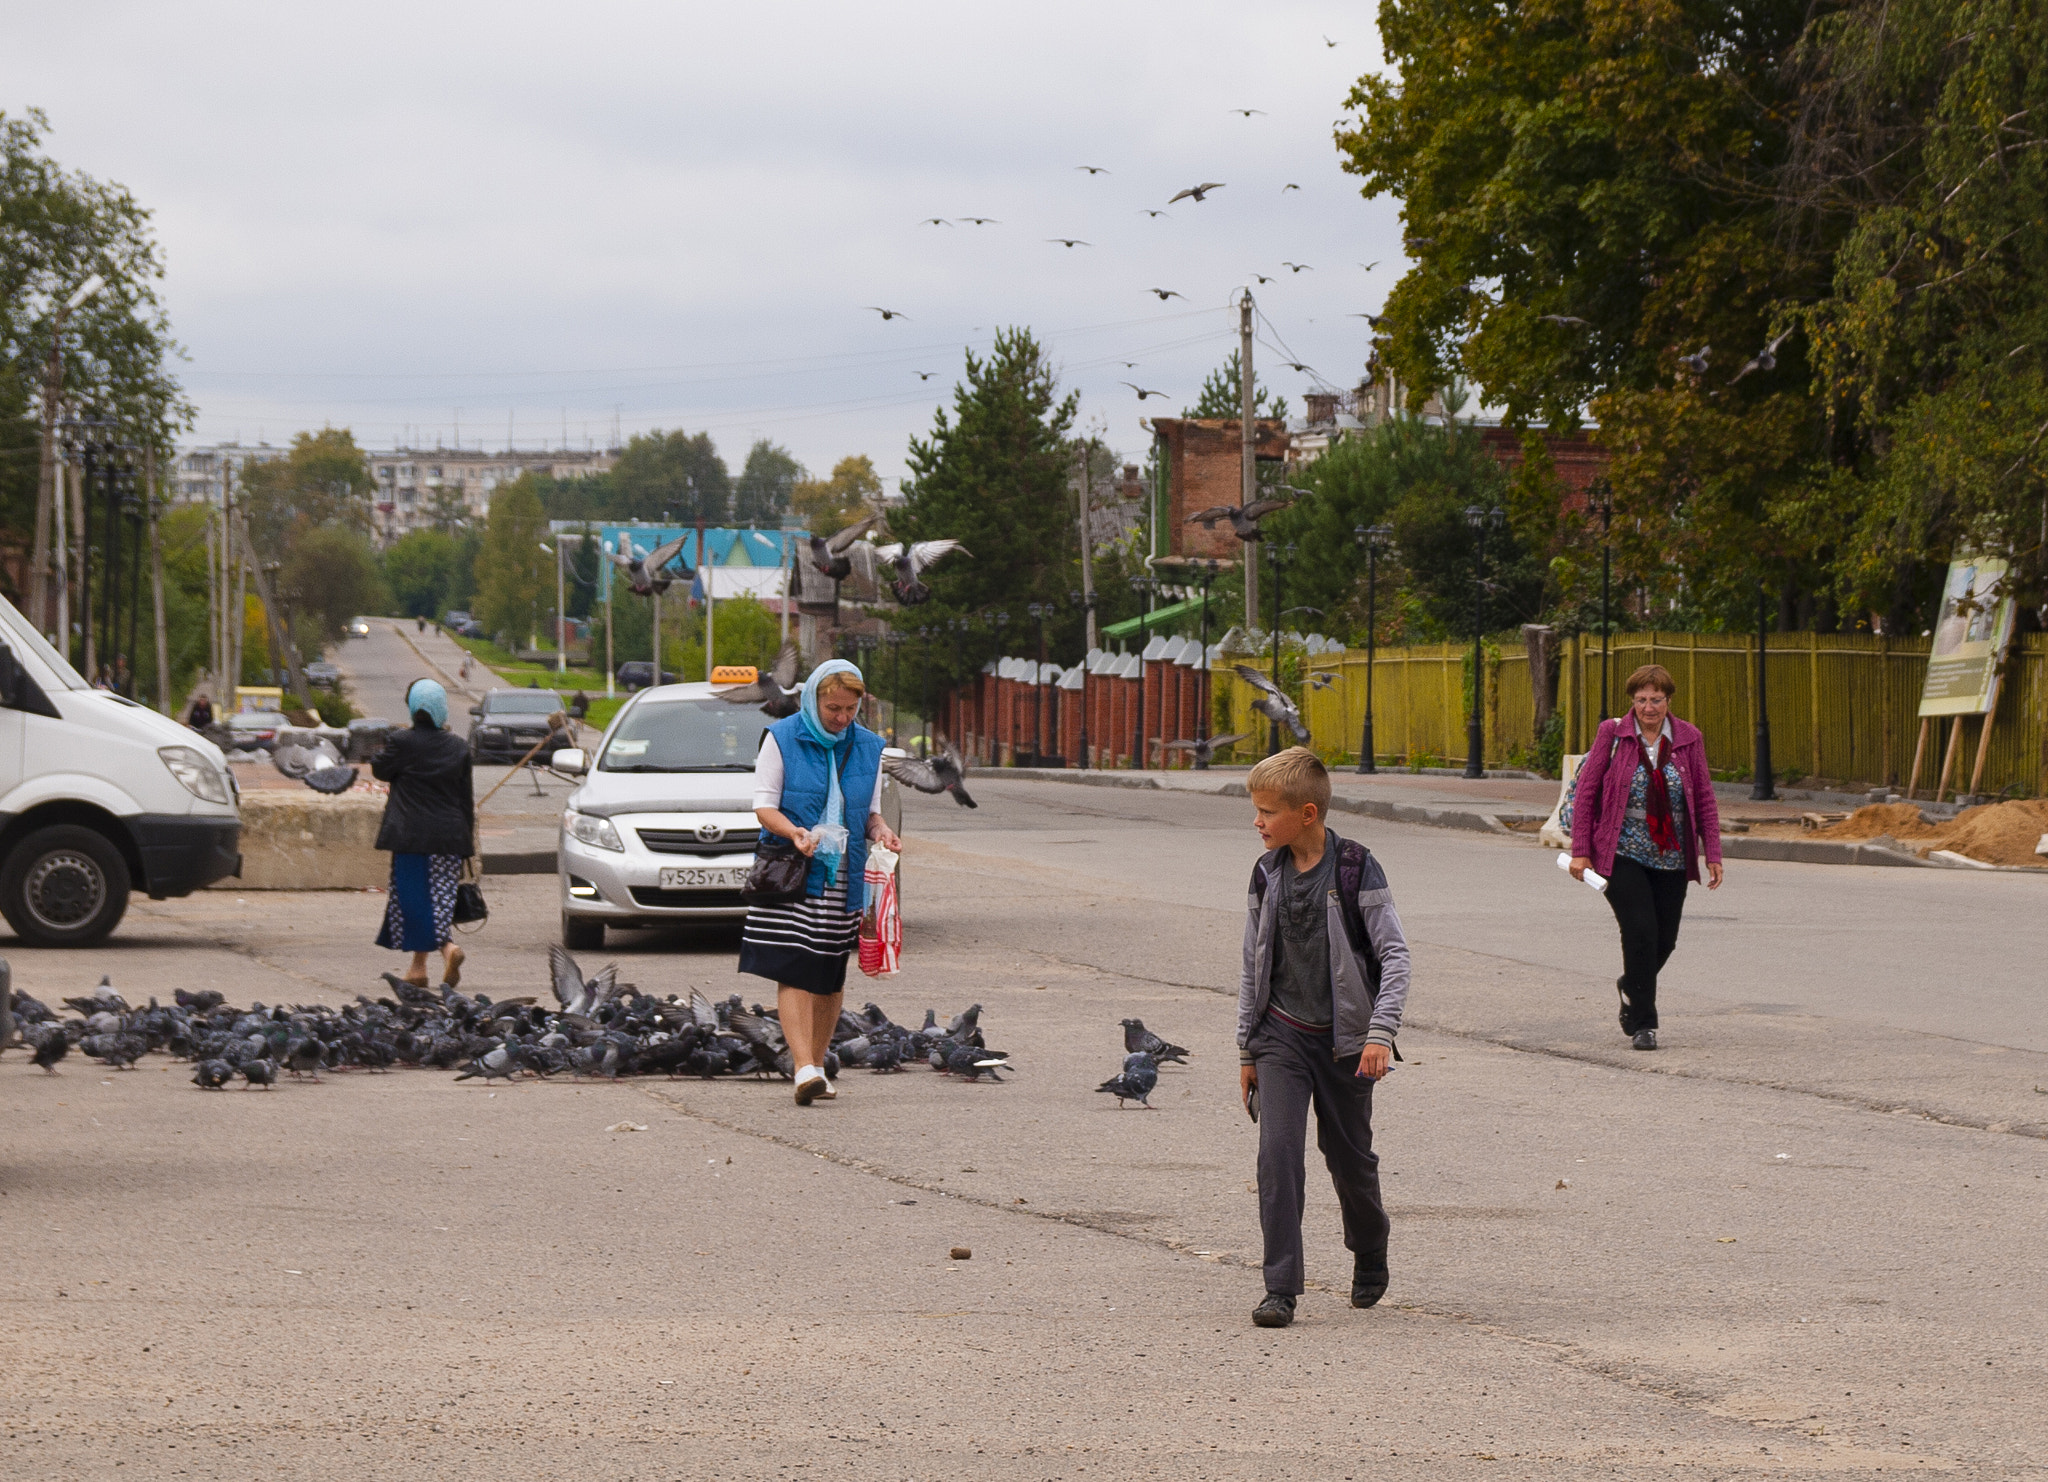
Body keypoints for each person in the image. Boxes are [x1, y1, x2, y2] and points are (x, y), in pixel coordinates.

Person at [1236, 747, 1411, 1330]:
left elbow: (1394, 956)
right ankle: (1280, 1287)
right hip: (1281, 1036)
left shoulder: (1357, 868)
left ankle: (1370, 1243)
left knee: (1350, 1161)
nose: (1257, 822)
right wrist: (1247, 1047)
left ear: (1307, 813)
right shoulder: (1267, 872)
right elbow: (1251, 963)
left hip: (1347, 1044)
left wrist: (1380, 1033)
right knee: (1277, 1156)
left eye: (1266, 812)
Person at [742, 660, 902, 1106]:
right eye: (833, 707)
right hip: (791, 870)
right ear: (813, 698)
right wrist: (793, 831)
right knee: (795, 965)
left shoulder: (868, 747)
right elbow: (763, 806)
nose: (842, 718)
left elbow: (869, 812)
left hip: (843, 875)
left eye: (850, 709)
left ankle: (816, 1065)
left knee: (830, 974)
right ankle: (803, 1067)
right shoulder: (782, 738)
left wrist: (882, 831)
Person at [1569, 663, 1724, 1051]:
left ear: (1668, 700)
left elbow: (1703, 796)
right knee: (1640, 929)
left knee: (1664, 940)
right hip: (1621, 848)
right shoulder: (1614, 734)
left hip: (1671, 853)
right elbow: (1587, 793)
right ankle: (1644, 1023)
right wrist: (1581, 851)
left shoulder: (1689, 738)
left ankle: (1631, 984)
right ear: (1632, 702)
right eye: (1641, 700)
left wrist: (1713, 853)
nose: (1649, 707)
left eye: (1656, 699)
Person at [371, 678, 475, 988]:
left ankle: (447, 949)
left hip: (412, 837)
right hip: (450, 839)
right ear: (441, 708)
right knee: (439, 902)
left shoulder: (402, 742)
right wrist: (467, 843)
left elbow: (380, 769)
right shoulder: (458, 746)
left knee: (414, 902)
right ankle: (418, 969)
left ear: (414, 708)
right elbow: (465, 799)